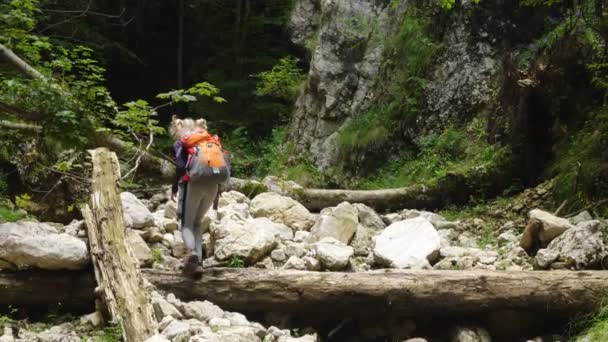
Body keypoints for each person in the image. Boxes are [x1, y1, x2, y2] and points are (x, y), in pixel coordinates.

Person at [170, 115, 224, 278]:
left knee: (186, 224)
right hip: (213, 185)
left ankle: (193, 254)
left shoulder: (183, 142)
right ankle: (199, 262)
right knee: (198, 222)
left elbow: (180, 166)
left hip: (194, 185)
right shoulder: (209, 139)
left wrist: (174, 186)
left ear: (178, 129)